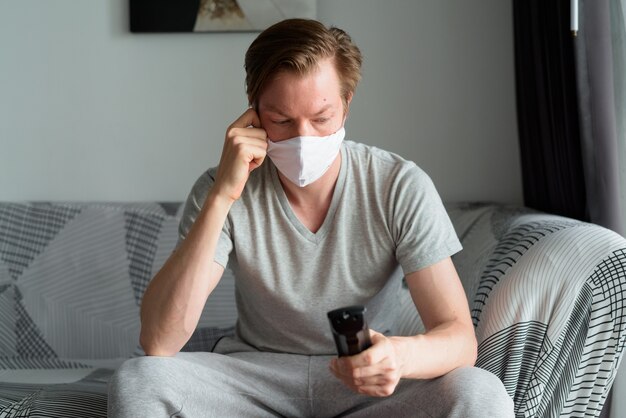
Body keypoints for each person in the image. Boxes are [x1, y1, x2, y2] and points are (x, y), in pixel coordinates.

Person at [108, 18, 514, 417]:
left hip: (368, 386)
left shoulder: (398, 185)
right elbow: (159, 341)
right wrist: (223, 196)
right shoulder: (221, 187)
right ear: (254, 113)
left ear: (347, 103)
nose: (304, 139)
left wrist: (399, 357)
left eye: (321, 119)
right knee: (139, 379)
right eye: (282, 121)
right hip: (254, 378)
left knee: (479, 390)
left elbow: (460, 339)